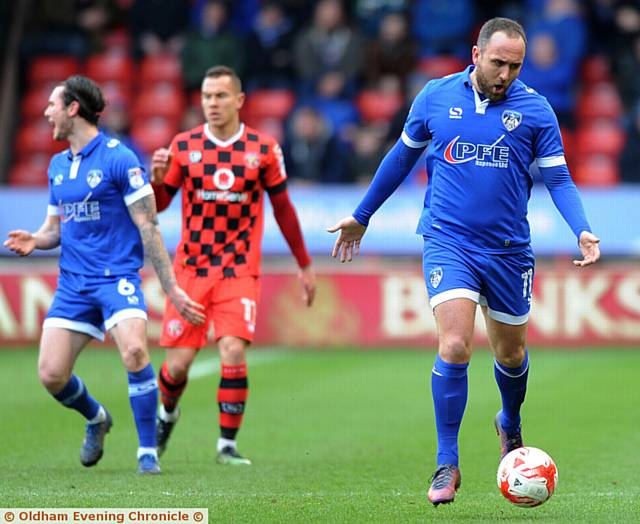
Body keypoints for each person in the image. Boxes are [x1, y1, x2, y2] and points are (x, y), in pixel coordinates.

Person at [328, 17, 600, 506]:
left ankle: (509, 422)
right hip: (448, 240)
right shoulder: (435, 97)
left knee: (511, 355)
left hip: (509, 248)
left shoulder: (536, 111)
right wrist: (361, 215)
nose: (506, 74)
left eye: (515, 66)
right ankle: (447, 463)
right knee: (454, 345)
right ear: (476, 55)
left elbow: (558, 180)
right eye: (498, 62)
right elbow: (399, 158)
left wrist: (580, 228)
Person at [3, 76, 205, 474]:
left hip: (117, 278)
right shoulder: (58, 166)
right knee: (51, 374)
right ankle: (96, 418)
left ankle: (147, 452)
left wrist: (172, 289)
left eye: (52, 105)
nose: (46, 113)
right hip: (74, 284)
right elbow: (55, 229)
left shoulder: (120, 158)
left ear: (73, 108)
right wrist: (36, 239)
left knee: (134, 351)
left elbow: (149, 226)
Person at [150, 65, 316, 465]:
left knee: (232, 352)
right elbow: (157, 207)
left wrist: (304, 264)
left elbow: (283, 209)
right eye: (207, 96)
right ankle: (166, 413)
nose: (212, 104)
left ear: (239, 101)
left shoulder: (262, 150)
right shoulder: (183, 147)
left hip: (239, 271)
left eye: (221, 96)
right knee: (178, 366)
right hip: (190, 271)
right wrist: (156, 179)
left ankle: (226, 445)